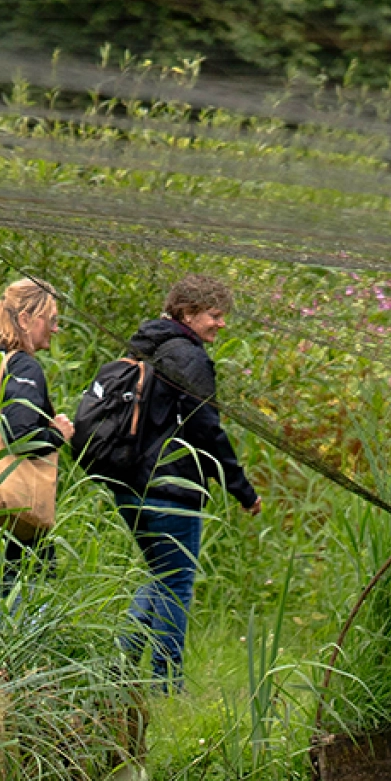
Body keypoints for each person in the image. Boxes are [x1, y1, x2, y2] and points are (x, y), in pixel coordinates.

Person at [112, 274, 260, 688]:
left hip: (130, 484)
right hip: (170, 485)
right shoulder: (186, 356)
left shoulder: (145, 345)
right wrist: (242, 490)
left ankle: (119, 670)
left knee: (160, 575)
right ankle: (166, 686)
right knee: (176, 584)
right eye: (214, 315)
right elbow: (205, 429)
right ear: (188, 314)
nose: (220, 324)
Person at [0, 278, 74, 652]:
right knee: (19, 602)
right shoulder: (23, 366)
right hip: (10, 503)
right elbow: (20, 433)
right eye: (50, 319)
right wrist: (57, 434)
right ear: (25, 318)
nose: (54, 329)